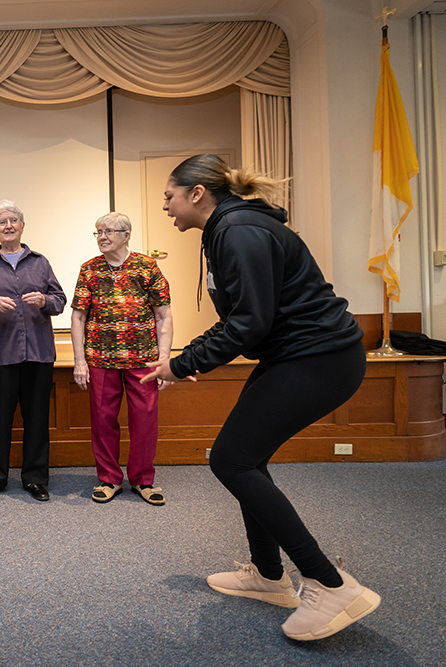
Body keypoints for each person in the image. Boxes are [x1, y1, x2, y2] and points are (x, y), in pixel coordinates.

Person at [142, 154, 380, 640]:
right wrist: (191, 355)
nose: (164, 205)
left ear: (197, 194)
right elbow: (245, 320)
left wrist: (183, 363)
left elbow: (250, 322)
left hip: (320, 358)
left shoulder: (239, 231)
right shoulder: (229, 229)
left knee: (231, 461)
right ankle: (270, 577)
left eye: (168, 196)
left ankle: (329, 584)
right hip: (295, 356)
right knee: (247, 458)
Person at [0, 200, 66, 502]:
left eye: (13, 220)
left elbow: (60, 300)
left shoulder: (40, 262)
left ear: (22, 226)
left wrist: (45, 302)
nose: (8, 226)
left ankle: (35, 478)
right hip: (0, 355)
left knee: (37, 418)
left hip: (38, 353)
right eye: (1, 222)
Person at [71, 212, 173, 506]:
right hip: (101, 359)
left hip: (143, 360)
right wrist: (80, 361)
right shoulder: (89, 269)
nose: (102, 236)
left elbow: (163, 315)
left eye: (108, 231)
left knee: (144, 420)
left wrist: (164, 360)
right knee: (103, 421)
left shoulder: (147, 267)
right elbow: (78, 317)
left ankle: (143, 479)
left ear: (126, 235)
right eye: (97, 232)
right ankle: (109, 478)